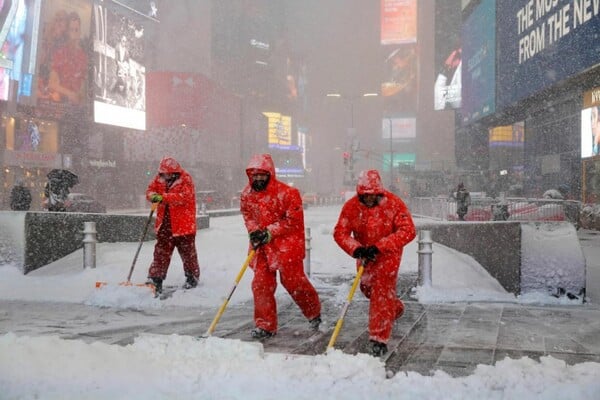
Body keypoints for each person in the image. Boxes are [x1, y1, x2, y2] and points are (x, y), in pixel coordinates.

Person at [333, 170, 416, 357]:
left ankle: (378, 338)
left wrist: (381, 246)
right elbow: (340, 233)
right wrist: (356, 249)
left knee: (381, 291)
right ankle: (394, 308)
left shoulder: (394, 204)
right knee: (367, 288)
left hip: (388, 255)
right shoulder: (351, 207)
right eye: (365, 196)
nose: (369, 199)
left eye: (373, 195)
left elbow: (408, 230)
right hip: (365, 255)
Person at [240, 153, 322, 339]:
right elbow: (248, 215)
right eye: (255, 174)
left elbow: (293, 221)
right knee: (261, 285)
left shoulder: (288, 193)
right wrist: (253, 231)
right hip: (261, 246)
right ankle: (265, 325)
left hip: (286, 246)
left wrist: (270, 232)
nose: (258, 178)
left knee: (294, 283)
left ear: (270, 174)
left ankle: (313, 312)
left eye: (262, 174)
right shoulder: (247, 195)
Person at [145, 157, 200, 294]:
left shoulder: (186, 179)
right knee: (160, 253)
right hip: (165, 224)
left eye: (169, 174)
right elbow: (150, 191)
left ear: (175, 172)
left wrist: (163, 197)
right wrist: (152, 196)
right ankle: (155, 278)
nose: (166, 176)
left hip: (183, 225)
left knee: (188, 254)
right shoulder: (159, 179)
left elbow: (183, 197)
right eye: (164, 174)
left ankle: (192, 277)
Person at [48, 12, 88, 104]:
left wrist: (80, 96)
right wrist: (70, 94)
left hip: (76, 109)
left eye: (76, 30)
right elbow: (52, 84)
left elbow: (83, 86)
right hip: (59, 104)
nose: (74, 34)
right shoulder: (60, 53)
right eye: (71, 30)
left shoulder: (84, 57)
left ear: (80, 32)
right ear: (67, 32)